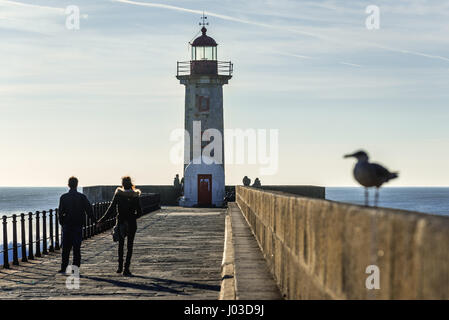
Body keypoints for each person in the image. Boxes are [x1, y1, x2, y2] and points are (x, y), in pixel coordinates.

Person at [97, 176, 142, 276]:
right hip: (131, 223)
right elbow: (139, 212)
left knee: (121, 245)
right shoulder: (135, 195)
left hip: (121, 222)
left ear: (122, 184)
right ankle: (126, 268)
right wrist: (132, 217)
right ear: (131, 184)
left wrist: (102, 220)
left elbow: (111, 209)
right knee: (130, 246)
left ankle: (120, 267)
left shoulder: (118, 195)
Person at [58, 176, 96, 273]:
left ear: (68, 185)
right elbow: (89, 210)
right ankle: (75, 269)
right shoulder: (82, 197)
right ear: (77, 185)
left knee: (65, 248)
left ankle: (63, 267)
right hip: (78, 225)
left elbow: (60, 212)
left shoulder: (64, 197)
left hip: (67, 225)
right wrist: (95, 221)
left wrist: (62, 223)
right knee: (76, 248)